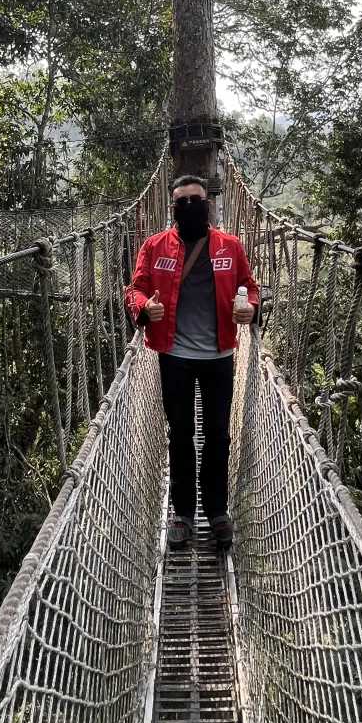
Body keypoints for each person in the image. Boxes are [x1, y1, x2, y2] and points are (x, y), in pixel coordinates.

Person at [125, 175, 259, 548]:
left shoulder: (230, 246)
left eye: (195, 200)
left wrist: (251, 307)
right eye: (181, 202)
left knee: (218, 436)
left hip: (220, 355)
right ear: (173, 207)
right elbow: (135, 289)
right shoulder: (154, 246)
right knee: (181, 435)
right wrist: (143, 307)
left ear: (207, 203)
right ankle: (182, 513)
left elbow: (249, 286)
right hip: (175, 356)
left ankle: (217, 512)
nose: (189, 206)